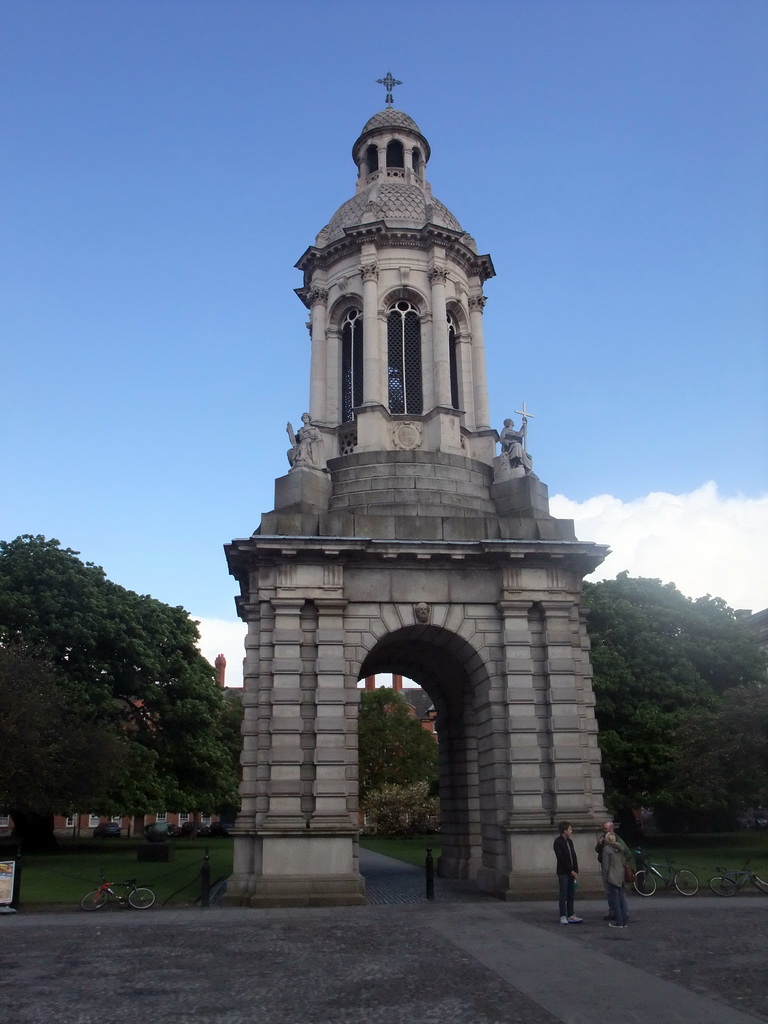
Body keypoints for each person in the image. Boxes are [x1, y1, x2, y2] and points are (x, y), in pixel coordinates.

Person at [595, 820, 634, 921]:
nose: (603, 830)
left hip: (614, 871)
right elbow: (598, 850)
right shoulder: (603, 839)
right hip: (612, 869)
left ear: (611, 829)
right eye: (603, 828)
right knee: (611, 893)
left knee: (617, 894)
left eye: (605, 828)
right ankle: (614, 912)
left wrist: (620, 864)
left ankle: (620, 914)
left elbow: (627, 853)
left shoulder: (617, 841)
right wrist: (599, 844)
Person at [553, 821, 582, 924]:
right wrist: (570, 870)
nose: (571, 831)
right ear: (564, 830)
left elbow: (573, 856)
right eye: (570, 829)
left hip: (571, 871)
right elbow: (561, 858)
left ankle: (571, 914)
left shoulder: (570, 841)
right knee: (563, 894)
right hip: (563, 872)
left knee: (571, 893)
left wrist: (575, 869)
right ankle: (563, 915)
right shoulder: (558, 842)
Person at [601, 831, 630, 928]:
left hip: (612, 877)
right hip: (620, 876)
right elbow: (624, 862)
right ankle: (624, 921)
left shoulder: (607, 849)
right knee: (622, 899)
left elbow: (605, 866)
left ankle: (619, 921)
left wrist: (605, 879)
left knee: (615, 900)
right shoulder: (620, 848)